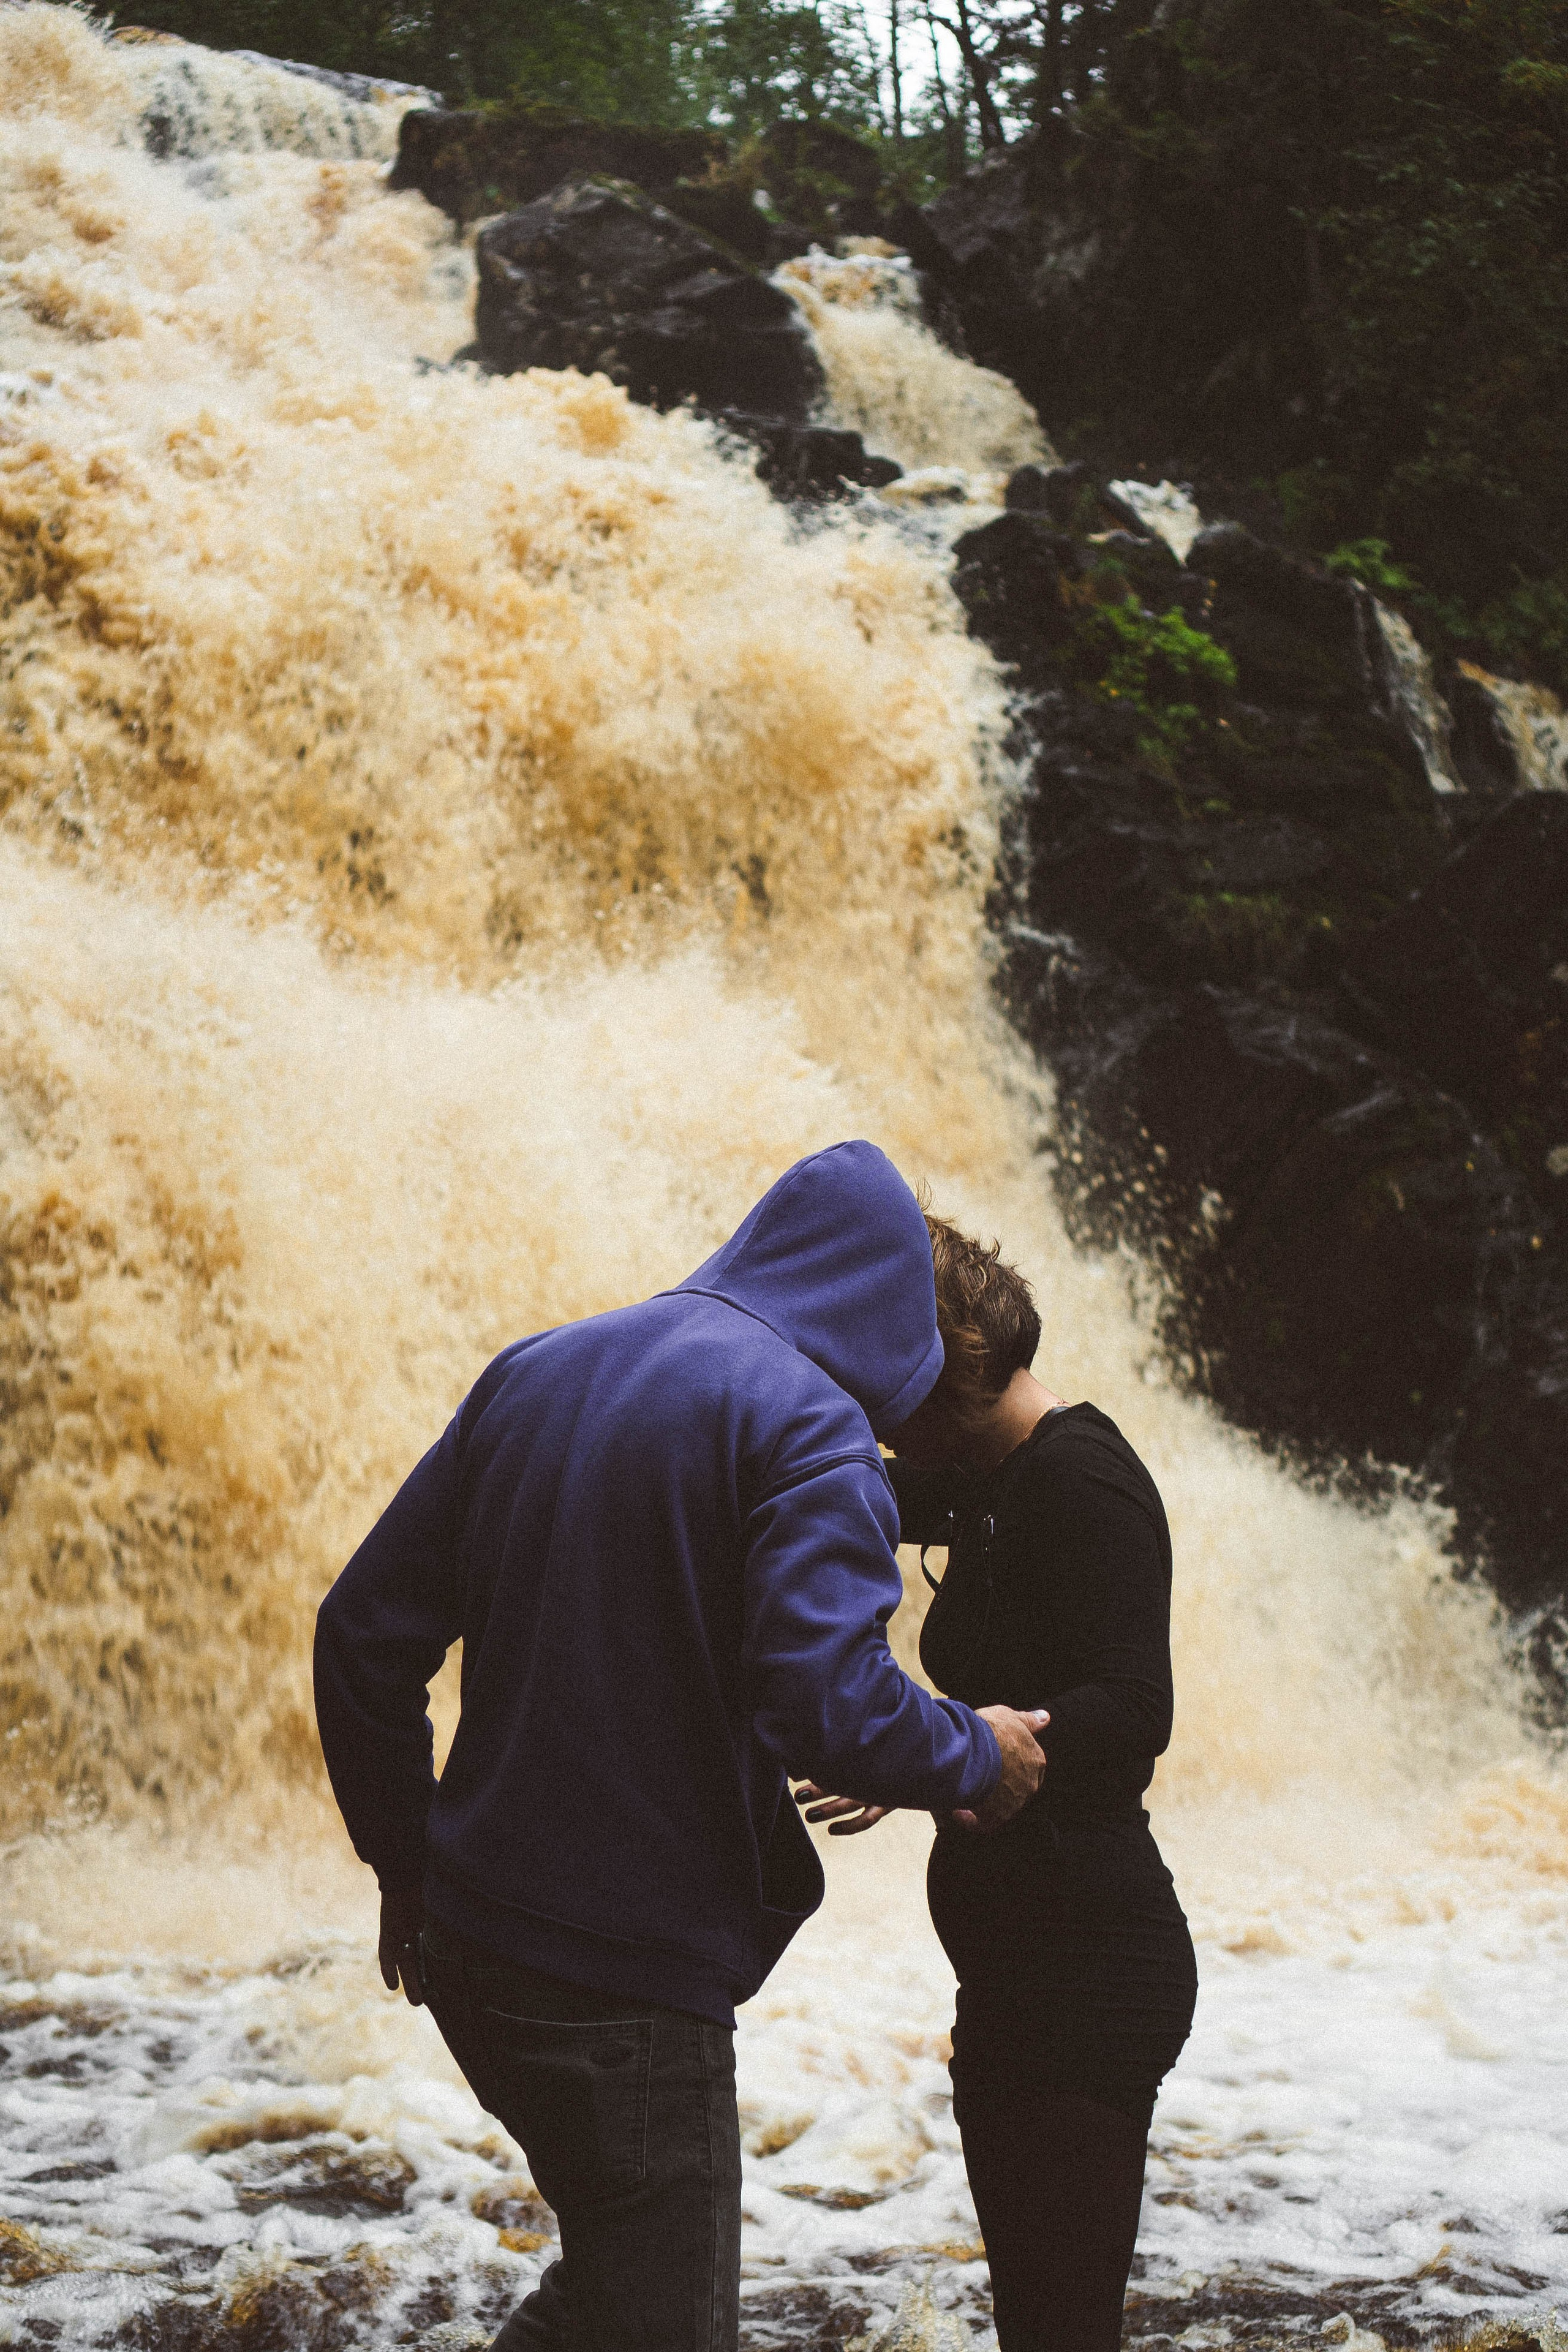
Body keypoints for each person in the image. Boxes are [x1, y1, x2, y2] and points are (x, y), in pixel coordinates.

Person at [313, 1142, 1052, 2352]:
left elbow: (358, 1637)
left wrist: (404, 1865)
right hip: (624, 1986)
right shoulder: (809, 1431)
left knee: (611, 2292)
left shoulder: (542, 1366)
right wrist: (976, 1754)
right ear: (876, 1307)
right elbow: (831, 1703)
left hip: (480, 1950)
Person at [797, 1212, 1198, 2352]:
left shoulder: (1082, 1481)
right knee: (1038, 2322)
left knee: (1062, 2329)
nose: (871, 1411)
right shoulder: (980, 1476)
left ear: (946, 1372)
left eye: (883, 1378)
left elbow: (1136, 1706)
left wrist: (945, 1743)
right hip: (1019, 1973)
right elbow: (829, 1483)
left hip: (1091, 1972)